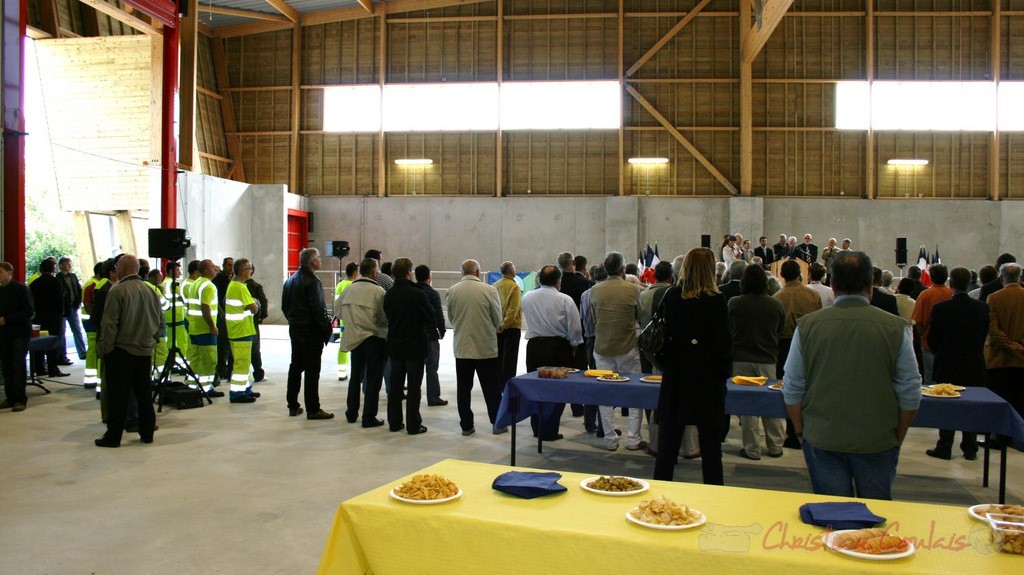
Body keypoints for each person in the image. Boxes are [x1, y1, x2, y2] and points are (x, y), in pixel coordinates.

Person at [783, 251, 921, 500]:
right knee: (875, 521)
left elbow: (792, 387)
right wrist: (898, 435)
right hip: (878, 440)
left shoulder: (807, 326)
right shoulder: (896, 327)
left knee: (832, 520)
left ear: (832, 285)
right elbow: (910, 391)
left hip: (822, 438)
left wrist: (802, 432)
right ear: (871, 286)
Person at [654, 248, 731, 485]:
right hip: (708, 380)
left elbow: (662, 338)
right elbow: (725, 344)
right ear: (711, 270)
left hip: (677, 375)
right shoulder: (718, 301)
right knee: (710, 448)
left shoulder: (672, 296)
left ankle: (659, 495)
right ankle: (715, 496)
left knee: (667, 447)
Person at [94, 255, 163, 447]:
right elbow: (160, 321)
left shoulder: (118, 290)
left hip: (122, 351)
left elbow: (109, 324)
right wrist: (152, 340)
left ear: (122, 268)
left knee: (119, 396)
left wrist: (105, 348)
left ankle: (113, 437)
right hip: (144, 351)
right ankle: (147, 433)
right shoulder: (151, 290)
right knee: (144, 395)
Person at [925, 267, 988, 460]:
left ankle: (944, 445)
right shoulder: (982, 308)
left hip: (947, 362)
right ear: (970, 284)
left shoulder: (941, 309)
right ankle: (970, 447)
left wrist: (942, 353)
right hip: (973, 362)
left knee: (947, 404)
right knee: (972, 405)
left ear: (951, 284)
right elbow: (984, 335)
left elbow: (932, 338)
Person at [589, 251, 644, 451]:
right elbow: (640, 316)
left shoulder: (595, 291)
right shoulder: (634, 289)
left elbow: (594, 318)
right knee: (634, 393)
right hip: (627, 346)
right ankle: (634, 439)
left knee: (605, 394)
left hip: (602, 347)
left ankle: (610, 440)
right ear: (622, 270)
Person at [522, 265, 583, 441]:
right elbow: (575, 328)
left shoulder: (528, 297)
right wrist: (573, 346)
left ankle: (537, 428)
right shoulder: (565, 299)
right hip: (558, 346)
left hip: (534, 347)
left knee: (536, 387)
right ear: (558, 281)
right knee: (557, 390)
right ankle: (549, 430)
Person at [730, 265, 785, 460]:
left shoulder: (734, 303)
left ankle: (752, 448)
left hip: (741, 359)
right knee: (771, 402)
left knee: (748, 405)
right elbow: (781, 329)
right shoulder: (775, 304)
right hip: (767, 359)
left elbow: (729, 330)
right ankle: (776, 445)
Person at [446, 259, 503, 436]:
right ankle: (497, 423)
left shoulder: (452, 291)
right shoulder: (489, 290)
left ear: (462, 272)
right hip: (485, 347)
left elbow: (452, 318)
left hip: (462, 348)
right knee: (491, 388)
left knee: (463, 389)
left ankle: (466, 425)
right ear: (478, 272)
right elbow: (498, 319)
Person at [382, 258, 434, 435]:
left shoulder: (389, 294)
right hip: (415, 347)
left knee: (395, 387)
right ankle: (413, 424)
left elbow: (387, 317)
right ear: (408, 272)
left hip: (395, 346)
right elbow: (430, 317)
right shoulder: (417, 293)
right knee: (413, 387)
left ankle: (394, 422)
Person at [774, 259, 821, 448]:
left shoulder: (777, 297)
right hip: (809, 343)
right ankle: (808, 429)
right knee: (809, 387)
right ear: (800, 274)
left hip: (785, 345)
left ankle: (792, 431)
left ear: (782, 275)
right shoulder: (812, 295)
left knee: (788, 388)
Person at [282, 248, 334, 420]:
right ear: (313, 262)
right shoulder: (312, 281)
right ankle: (313, 408)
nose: (320, 260)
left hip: (295, 329)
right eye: (319, 258)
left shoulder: (290, 281)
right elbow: (318, 309)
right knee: (312, 370)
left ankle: (293, 404)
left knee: (295, 366)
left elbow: (285, 306)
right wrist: (325, 327)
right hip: (310, 331)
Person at [337, 258, 388, 427]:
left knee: (355, 377)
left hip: (354, 339)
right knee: (373, 379)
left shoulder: (349, 289)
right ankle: (368, 417)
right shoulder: (378, 291)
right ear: (374, 273)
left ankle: (351, 413)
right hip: (374, 339)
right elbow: (385, 317)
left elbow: (338, 312)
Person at [985, 263, 1024, 426]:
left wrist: (1010, 345)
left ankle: (998, 437)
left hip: (998, 358)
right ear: (1020, 277)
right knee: (1020, 400)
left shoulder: (994, 297)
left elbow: (993, 329)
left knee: (999, 399)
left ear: (1001, 277)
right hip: (1022, 357)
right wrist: (1019, 346)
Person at [558, 251, 594, 418]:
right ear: (573, 263)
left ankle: (557, 405)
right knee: (579, 372)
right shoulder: (584, 283)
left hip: (558, 334)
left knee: (559, 370)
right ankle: (578, 407)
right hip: (579, 333)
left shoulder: (556, 282)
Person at [186, 260, 224, 398]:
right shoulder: (209, 286)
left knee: (195, 359)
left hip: (194, 328)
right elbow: (205, 307)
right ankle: (206, 389)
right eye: (213, 267)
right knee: (208, 360)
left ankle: (192, 386)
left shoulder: (195, 284)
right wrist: (212, 326)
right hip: (205, 329)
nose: (216, 269)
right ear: (207, 271)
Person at [225, 259, 260, 403]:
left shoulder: (234, 285)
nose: (251, 271)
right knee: (241, 364)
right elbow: (254, 307)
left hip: (238, 330)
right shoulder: (240, 287)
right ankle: (237, 393)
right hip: (241, 330)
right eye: (248, 268)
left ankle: (245, 389)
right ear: (241, 271)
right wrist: (254, 304)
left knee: (245, 363)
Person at [0, 262, 34, 412]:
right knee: (7, 366)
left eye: (0, 272)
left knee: (18, 365)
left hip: (19, 333)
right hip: (4, 335)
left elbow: (28, 311)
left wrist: (7, 319)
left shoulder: (21, 289)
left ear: (9, 273)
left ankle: (20, 400)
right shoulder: (0, 291)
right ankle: (10, 398)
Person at [911, 264, 952, 384]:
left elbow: (918, 321)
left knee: (929, 377)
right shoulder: (951, 294)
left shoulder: (925, 295)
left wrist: (922, 335)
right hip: (948, 341)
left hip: (928, 341)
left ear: (931, 277)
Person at [29, 258, 68, 378]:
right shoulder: (55, 282)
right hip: (53, 317)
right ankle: (53, 368)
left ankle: (39, 368)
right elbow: (59, 300)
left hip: (39, 317)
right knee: (53, 342)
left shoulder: (34, 283)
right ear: (53, 268)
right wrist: (61, 314)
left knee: (39, 342)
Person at [415, 264, 447, 406]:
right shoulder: (433, 294)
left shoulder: (412, 291)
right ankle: (433, 397)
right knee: (432, 368)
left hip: (414, 336)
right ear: (429, 277)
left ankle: (414, 395)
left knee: (415, 369)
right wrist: (442, 331)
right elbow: (438, 316)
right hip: (430, 336)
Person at [494, 261, 523, 390]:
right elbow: (514, 308)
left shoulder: (495, 285)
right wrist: (505, 324)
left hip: (498, 327)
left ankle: (498, 383)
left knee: (499, 357)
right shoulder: (514, 286)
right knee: (510, 360)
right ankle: (507, 386)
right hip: (511, 327)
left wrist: (499, 324)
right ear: (511, 271)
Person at [81, 261, 108, 388]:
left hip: (92, 321)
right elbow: (87, 304)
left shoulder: (97, 283)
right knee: (93, 349)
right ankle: (90, 379)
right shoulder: (93, 285)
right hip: (91, 322)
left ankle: (92, 377)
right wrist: (95, 318)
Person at [159, 261, 189, 375]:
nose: (180, 272)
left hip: (171, 317)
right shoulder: (171, 283)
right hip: (176, 316)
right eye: (177, 270)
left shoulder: (166, 283)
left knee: (171, 342)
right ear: (171, 271)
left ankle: (173, 362)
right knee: (182, 342)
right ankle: (183, 365)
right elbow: (180, 299)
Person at [57, 257, 86, 362]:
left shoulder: (73, 276)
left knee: (77, 330)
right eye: (67, 264)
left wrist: (78, 302)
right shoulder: (57, 278)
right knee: (62, 332)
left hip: (73, 307)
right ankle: (62, 355)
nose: (69, 266)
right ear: (61, 265)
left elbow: (78, 289)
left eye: (69, 264)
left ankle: (82, 352)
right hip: (63, 309)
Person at [244, 264, 269, 383]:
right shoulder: (252, 286)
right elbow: (263, 301)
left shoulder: (232, 285)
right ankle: (258, 373)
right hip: (250, 322)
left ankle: (229, 373)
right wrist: (262, 315)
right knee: (254, 348)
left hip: (236, 325)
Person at [334, 262, 358, 381]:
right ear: (355, 273)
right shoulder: (354, 285)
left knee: (343, 346)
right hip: (354, 321)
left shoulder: (340, 285)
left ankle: (341, 372)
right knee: (355, 346)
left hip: (343, 321)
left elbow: (336, 304)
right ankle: (355, 371)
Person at [213, 257, 234, 382]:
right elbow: (217, 299)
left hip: (231, 317)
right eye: (229, 265)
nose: (231, 268)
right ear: (224, 265)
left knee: (229, 346)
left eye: (232, 265)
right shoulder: (218, 279)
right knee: (223, 345)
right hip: (222, 317)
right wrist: (222, 315)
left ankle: (227, 369)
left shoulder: (231, 279)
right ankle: (221, 369)